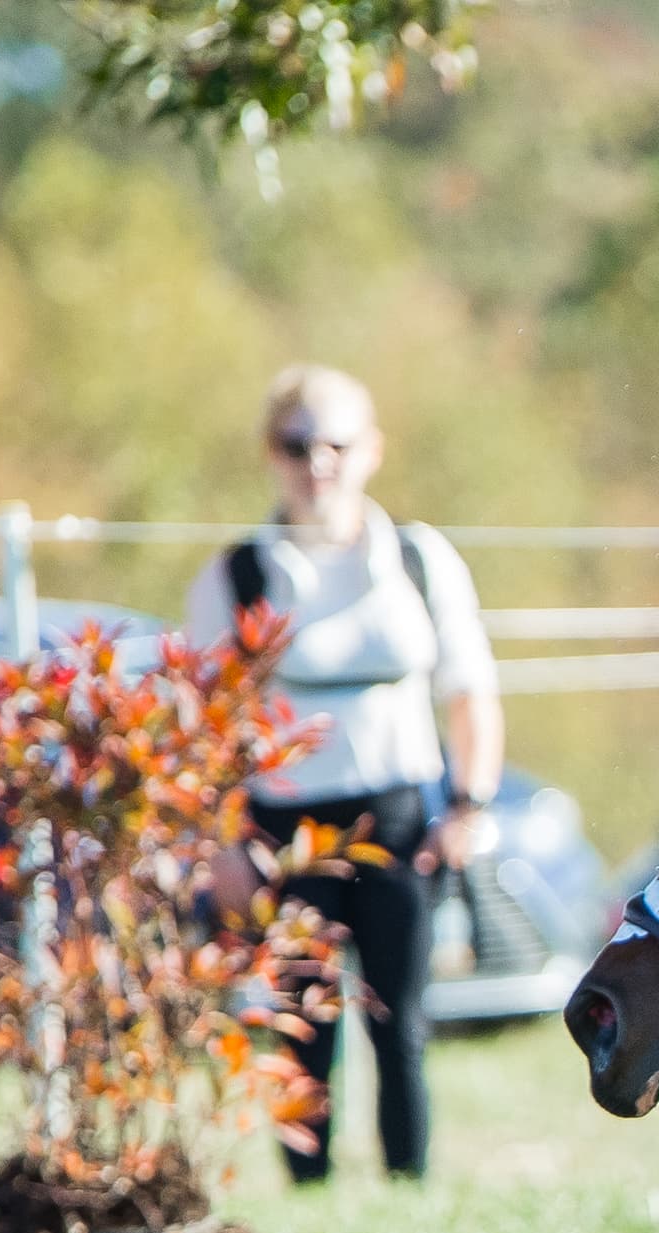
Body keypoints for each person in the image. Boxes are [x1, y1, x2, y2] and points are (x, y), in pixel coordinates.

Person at [182, 364, 500, 1183]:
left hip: (400, 824)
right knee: (301, 1029)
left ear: (371, 451)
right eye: (296, 444)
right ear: (271, 453)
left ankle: (408, 1183)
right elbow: (206, 730)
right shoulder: (236, 577)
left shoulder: (421, 561)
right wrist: (221, 846)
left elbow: (469, 694)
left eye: (335, 443)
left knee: (402, 1024)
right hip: (287, 834)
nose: (316, 462)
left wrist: (468, 806)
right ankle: (311, 1193)